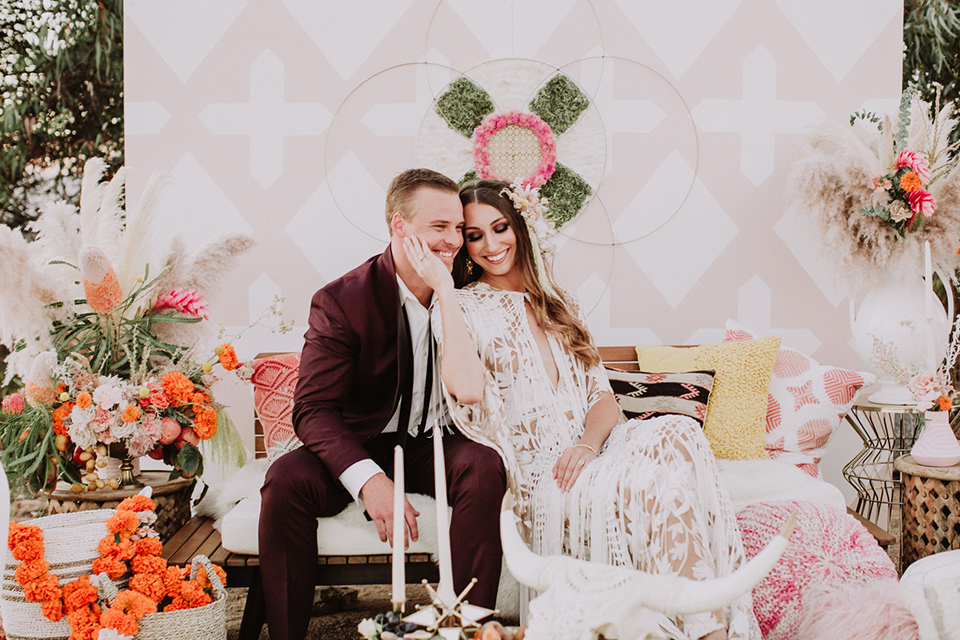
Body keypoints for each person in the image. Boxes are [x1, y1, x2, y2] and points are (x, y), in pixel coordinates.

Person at [409, 178, 760, 640]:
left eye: (500, 228)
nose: (491, 245)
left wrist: (588, 445)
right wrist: (445, 290)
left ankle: (713, 617)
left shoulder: (559, 303)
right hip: (540, 473)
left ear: (520, 226)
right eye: (474, 236)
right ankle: (703, 631)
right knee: (662, 489)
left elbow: (602, 399)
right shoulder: (461, 307)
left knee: (681, 430)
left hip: (592, 448)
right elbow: (467, 390)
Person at [259, 169, 506, 640]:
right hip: (362, 442)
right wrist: (370, 480)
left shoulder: (468, 291)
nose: (454, 240)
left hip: (437, 441)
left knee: (484, 465)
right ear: (400, 226)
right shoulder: (341, 300)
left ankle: (472, 629)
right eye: (440, 227)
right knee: (285, 480)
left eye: (458, 228)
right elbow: (313, 409)